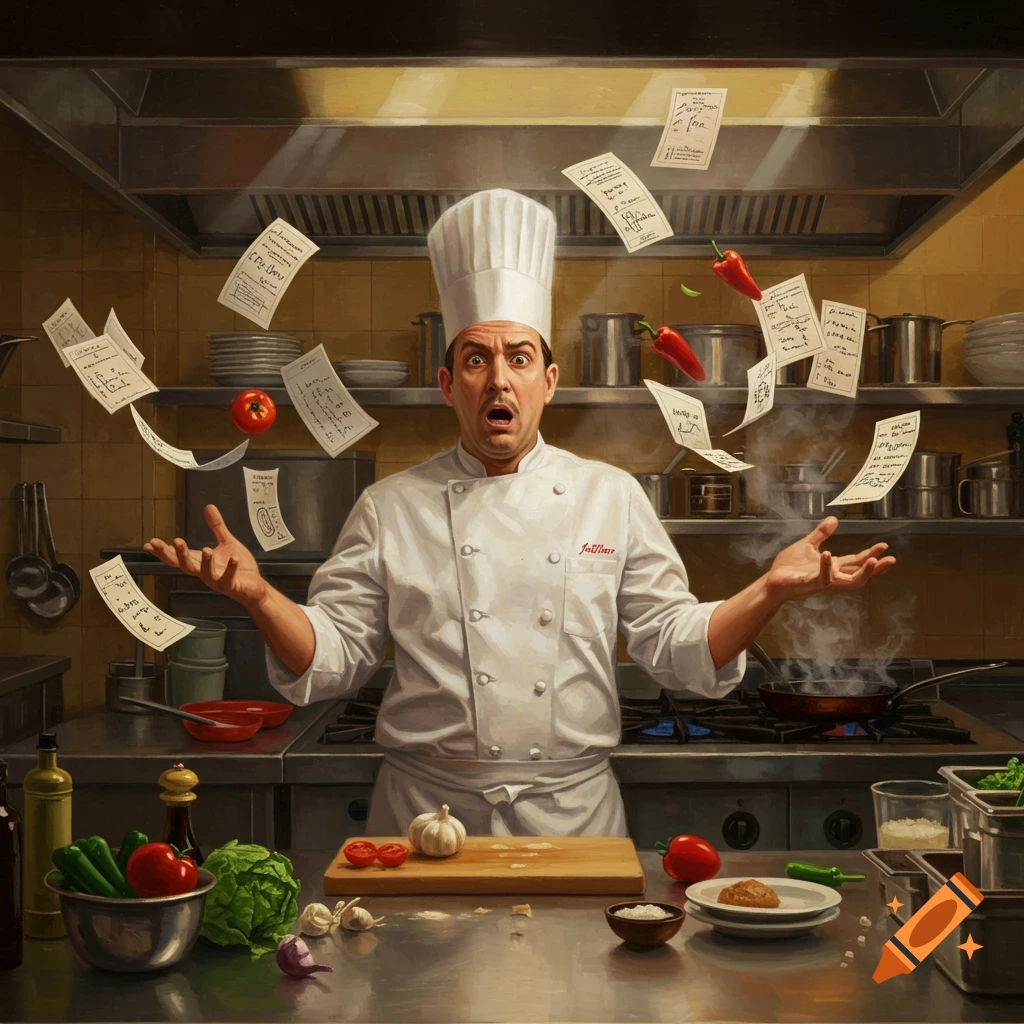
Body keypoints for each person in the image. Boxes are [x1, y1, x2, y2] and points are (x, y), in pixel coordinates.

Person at [144, 188, 895, 837]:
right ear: (447, 383)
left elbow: (679, 650)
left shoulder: (610, 497)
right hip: (422, 812)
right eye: (476, 358)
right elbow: (333, 659)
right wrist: (258, 597)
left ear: (549, 381)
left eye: (519, 358)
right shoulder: (389, 507)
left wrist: (768, 591)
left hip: (573, 815)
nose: (497, 377)